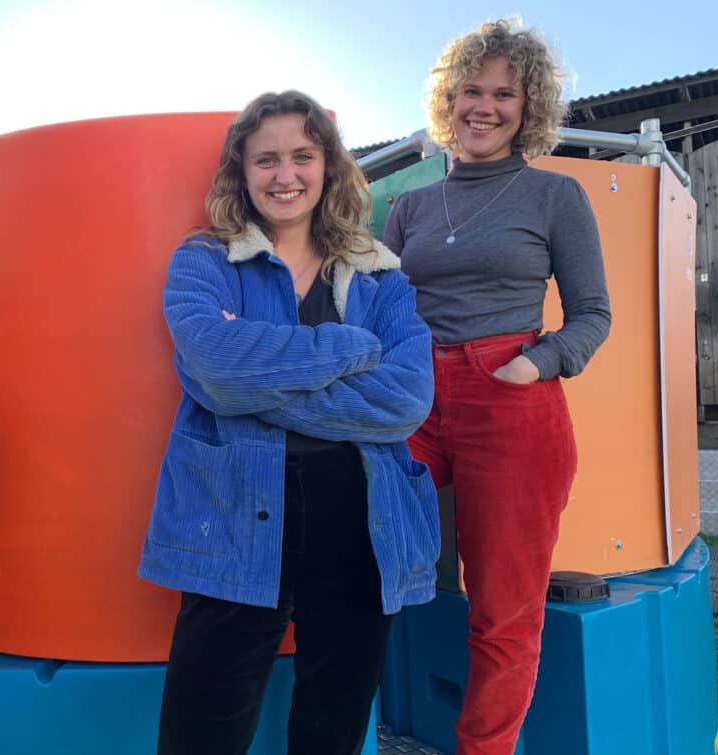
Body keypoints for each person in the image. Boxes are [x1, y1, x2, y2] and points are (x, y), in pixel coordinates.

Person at [138, 90, 438, 755]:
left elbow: (406, 399)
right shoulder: (204, 261)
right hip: (234, 513)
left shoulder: (380, 278)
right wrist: (348, 348)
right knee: (200, 732)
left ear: (328, 165)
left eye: (303, 156)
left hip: (363, 521)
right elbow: (214, 369)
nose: (285, 175)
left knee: (333, 730)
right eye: (265, 159)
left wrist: (249, 379)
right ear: (240, 173)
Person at [382, 19, 611, 755]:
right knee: (352, 551)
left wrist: (536, 364)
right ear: (447, 100)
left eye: (503, 94)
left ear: (528, 106)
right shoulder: (410, 207)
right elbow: (376, 303)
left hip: (508, 394)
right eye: (469, 90)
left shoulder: (554, 196)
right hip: (416, 394)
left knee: (503, 609)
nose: (483, 106)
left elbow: (592, 315)